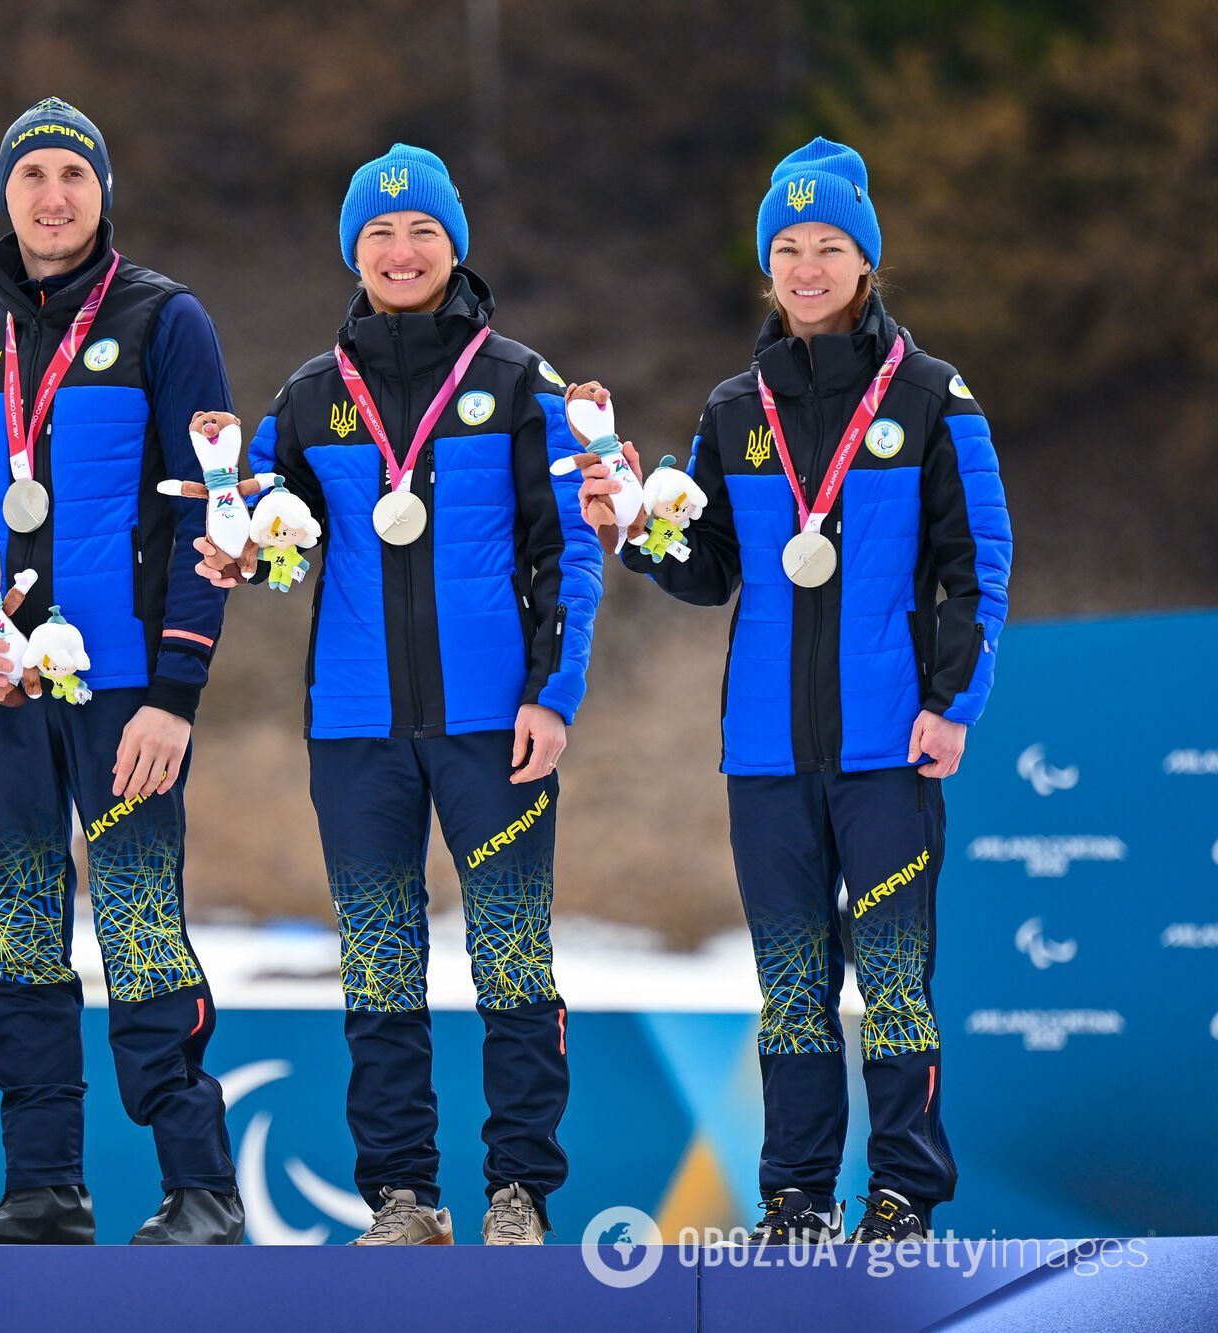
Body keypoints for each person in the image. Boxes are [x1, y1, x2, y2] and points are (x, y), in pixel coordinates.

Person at [578, 138, 1011, 1243]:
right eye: (787, 249)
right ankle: (795, 1195)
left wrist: (951, 703)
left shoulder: (931, 397)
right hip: (765, 748)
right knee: (790, 985)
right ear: (766, 267)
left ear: (865, 261)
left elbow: (978, 562)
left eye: (827, 247)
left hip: (887, 743)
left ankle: (903, 1194)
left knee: (895, 981)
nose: (807, 268)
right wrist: (632, 530)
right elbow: (706, 564)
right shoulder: (735, 408)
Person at [194, 145, 603, 1245]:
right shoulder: (310, 395)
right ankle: (402, 1198)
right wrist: (239, 547)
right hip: (355, 726)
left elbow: (569, 550)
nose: (401, 250)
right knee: (378, 964)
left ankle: (520, 1193)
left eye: (421, 230)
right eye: (378, 233)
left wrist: (553, 692)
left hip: (494, 723)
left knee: (511, 959)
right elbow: (268, 529)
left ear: (454, 245)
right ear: (353, 253)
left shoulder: (520, 383)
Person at [0, 97, 242, 1245]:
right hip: (1, 693)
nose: (52, 197)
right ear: (3, 193)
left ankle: (201, 1192)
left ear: (104, 192)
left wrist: (175, 695)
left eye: (74, 176)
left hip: (125, 694)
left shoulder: (164, 319)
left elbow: (209, 512)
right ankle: (44, 1189)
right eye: (31, 175)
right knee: (18, 939)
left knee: (141, 933)